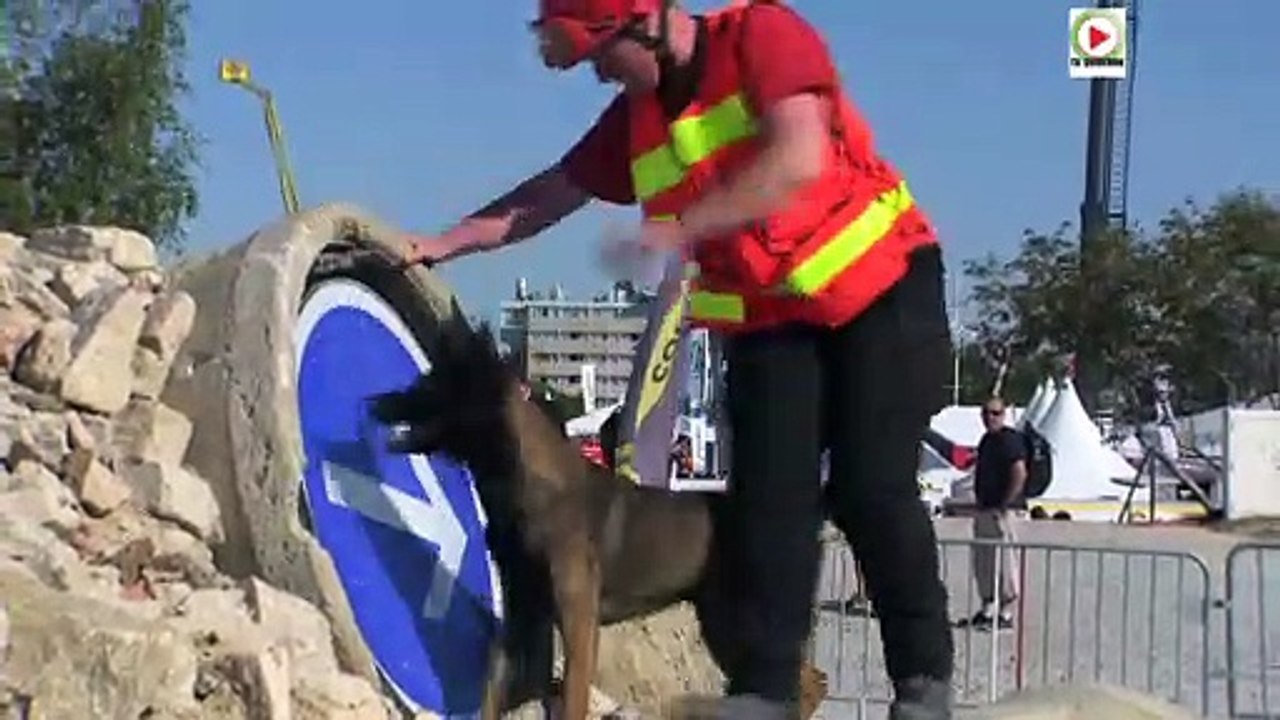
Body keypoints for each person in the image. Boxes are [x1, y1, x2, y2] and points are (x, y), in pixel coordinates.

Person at [402, 1, 955, 717]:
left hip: (878, 291)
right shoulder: (635, 117)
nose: (600, 75)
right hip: (771, 320)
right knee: (767, 506)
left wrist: (679, 228)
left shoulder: (762, 35)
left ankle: (923, 687)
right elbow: (547, 196)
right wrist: (445, 244)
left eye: (601, 55)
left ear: (644, 22)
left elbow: (798, 158)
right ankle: (763, 692)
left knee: (869, 488)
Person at [957, 397, 1025, 631]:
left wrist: (1005, 502)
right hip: (985, 507)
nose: (990, 417)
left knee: (1005, 560)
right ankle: (988, 606)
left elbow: (1019, 473)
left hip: (1003, 510)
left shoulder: (1010, 440)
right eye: (986, 413)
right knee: (983, 559)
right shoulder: (986, 440)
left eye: (995, 413)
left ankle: (1006, 612)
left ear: (1004, 414)